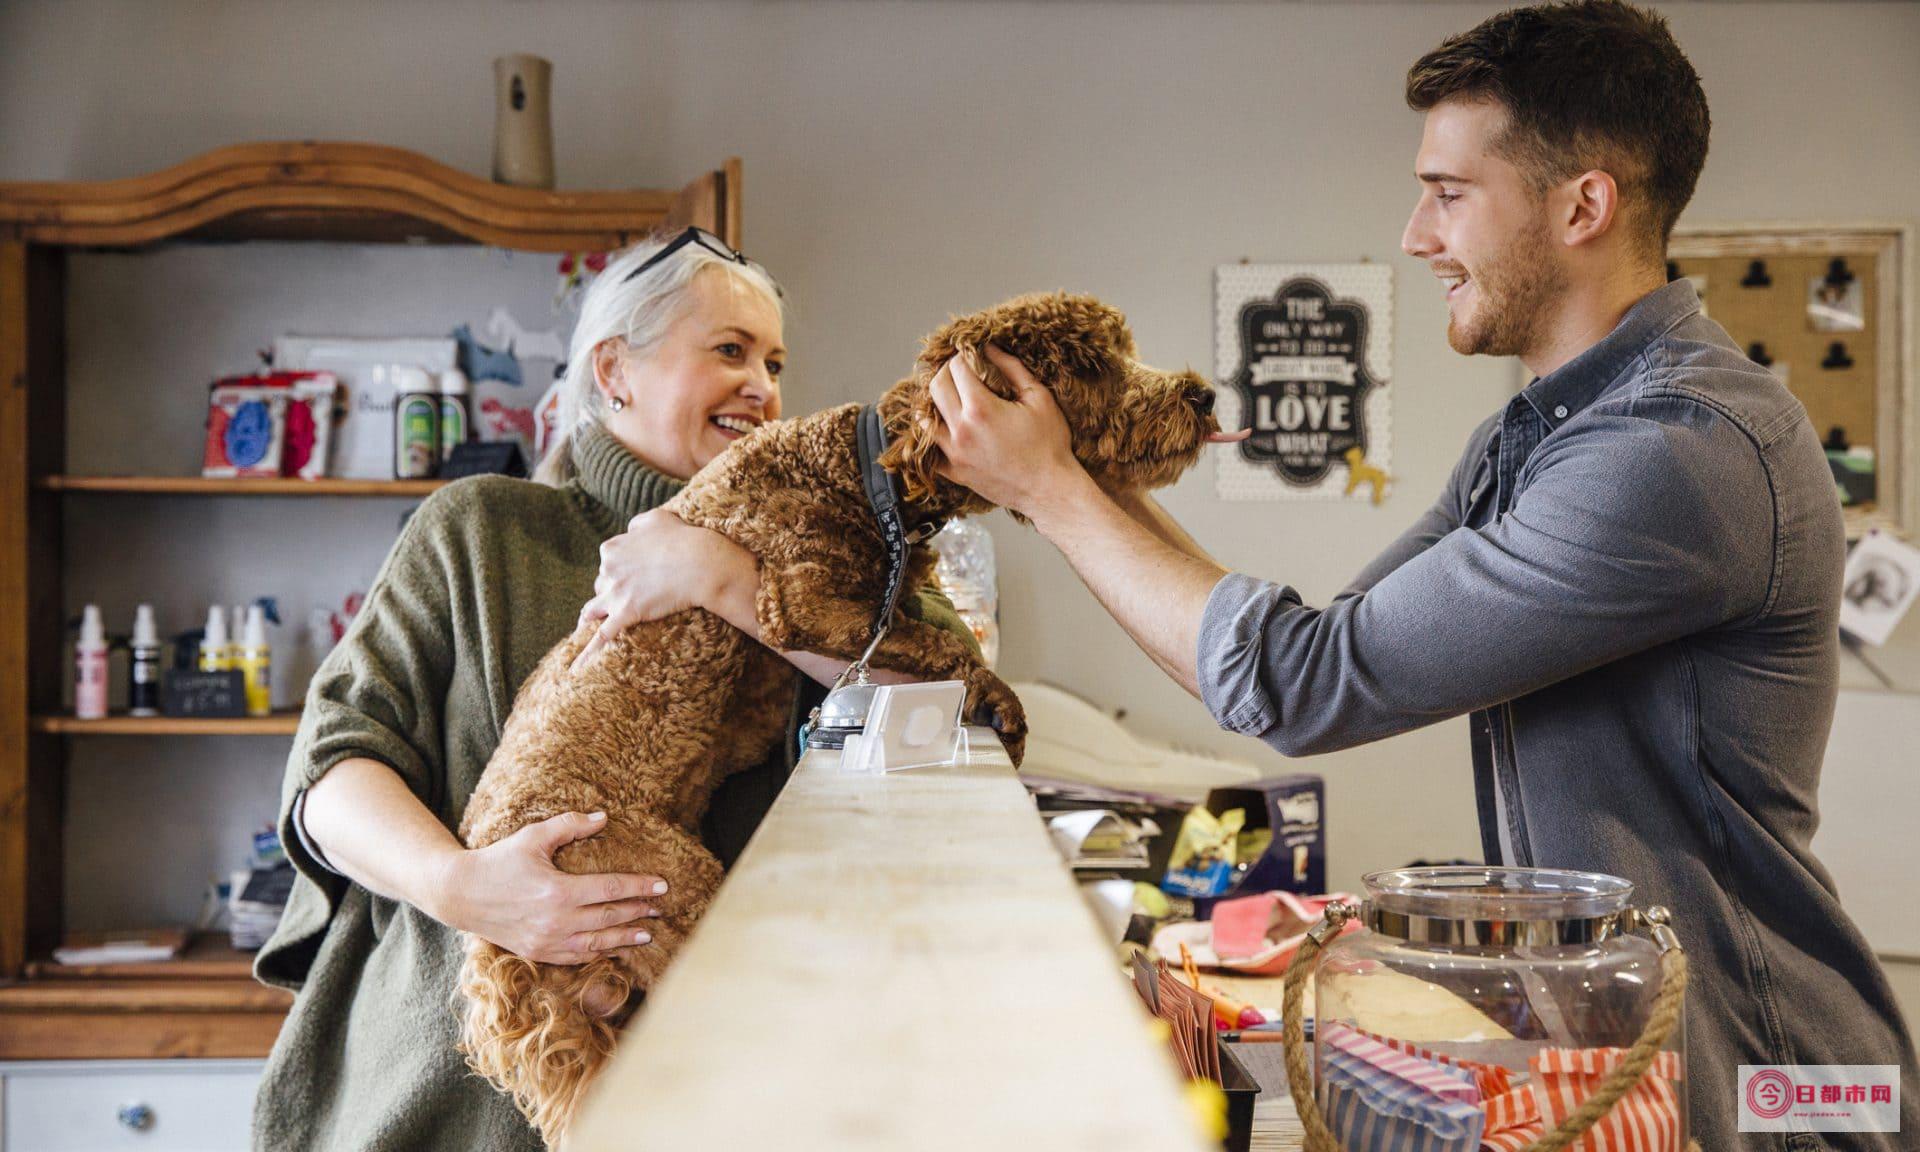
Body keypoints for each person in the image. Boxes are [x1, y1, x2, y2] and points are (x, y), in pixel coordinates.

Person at [924, 3, 1917, 1148]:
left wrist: (1055, 491)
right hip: (1640, 1061)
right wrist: (1077, 482)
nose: (1414, 233)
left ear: (1582, 204)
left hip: (1774, 1083)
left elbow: (1297, 683)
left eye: (1448, 193)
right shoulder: (1536, 439)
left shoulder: (1677, 455)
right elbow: (1298, 651)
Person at [252, 229, 979, 1151]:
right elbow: (332, 771)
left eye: (774, 359)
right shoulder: (482, 532)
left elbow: (943, 719)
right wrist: (466, 889)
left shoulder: (830, 560)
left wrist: (723, 579)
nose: (762, 383)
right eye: (728, 349)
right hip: (453, 1097)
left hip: (737, 1089)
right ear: (614, 370)